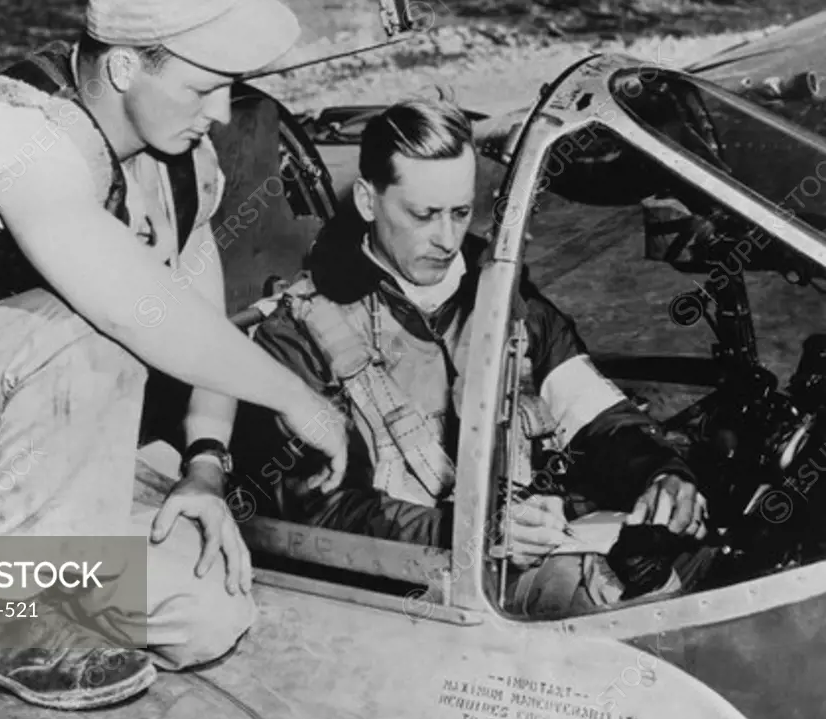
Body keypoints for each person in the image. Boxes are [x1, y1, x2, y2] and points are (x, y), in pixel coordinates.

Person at [0, 0, 347, 712]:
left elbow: (198, 311)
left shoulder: (180, 158)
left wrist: (204, 465)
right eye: (202, 87)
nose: (218, 114)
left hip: (38, 457)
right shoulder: (11, 131)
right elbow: (132, 306)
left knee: (207, 607)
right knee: (90, 329)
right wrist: (298, 397)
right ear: (124, 66)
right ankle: (4, 623)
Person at [234, 97, 710, 616]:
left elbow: (598, 417)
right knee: (610, 601)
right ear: (369, 202)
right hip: (412, 595)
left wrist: (662, 473)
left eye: (461, 212)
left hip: (530, 542)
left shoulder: (504, 297)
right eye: (423, 214)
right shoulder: (301, 334)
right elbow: (318, 514)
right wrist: (470, 529)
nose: (447, 239)